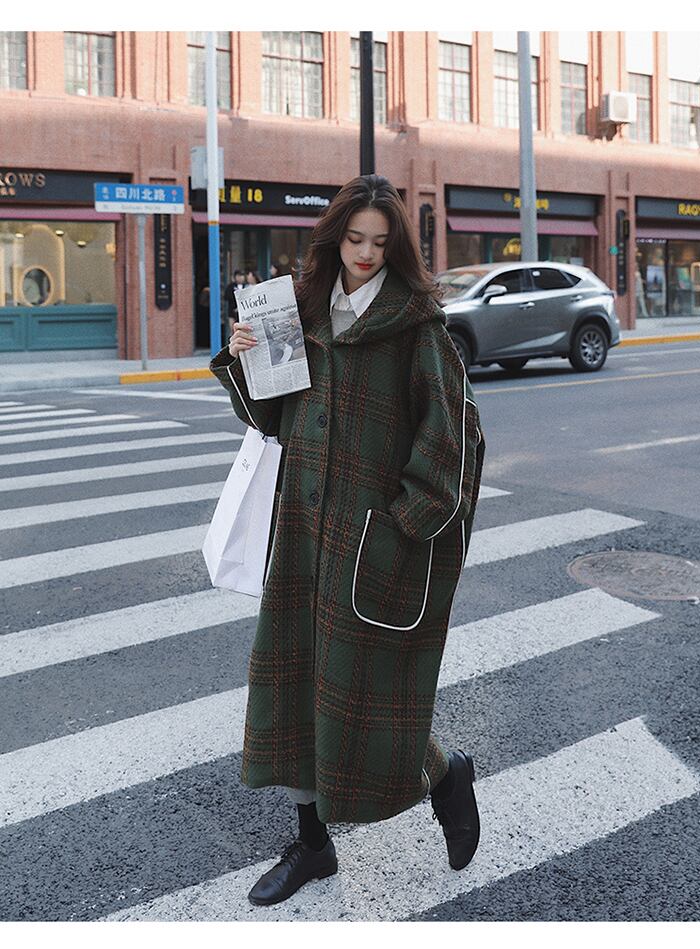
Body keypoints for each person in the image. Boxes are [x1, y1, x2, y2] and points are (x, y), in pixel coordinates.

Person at [209, 174, 485, 908]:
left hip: (371, 541)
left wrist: (402, 528)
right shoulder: (297, 310)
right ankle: (312, 844)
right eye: (354, 238)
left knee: (369, 698)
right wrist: (243, 356)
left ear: (397, 248)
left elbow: (450, 444)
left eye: (380, 242)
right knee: (294, 684)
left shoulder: (418, 328)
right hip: (302, 533)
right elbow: (270, 419)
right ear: (335, 238)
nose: (365, 253)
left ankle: (446, 773)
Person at [223, 269, 246, 344]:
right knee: (233, 329)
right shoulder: (231, 286)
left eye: (242, 276)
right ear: (235, 277)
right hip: (232, 311)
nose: (240, 278)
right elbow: (226, 296)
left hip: (243, 311)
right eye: (238, 276)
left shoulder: (246, 286)